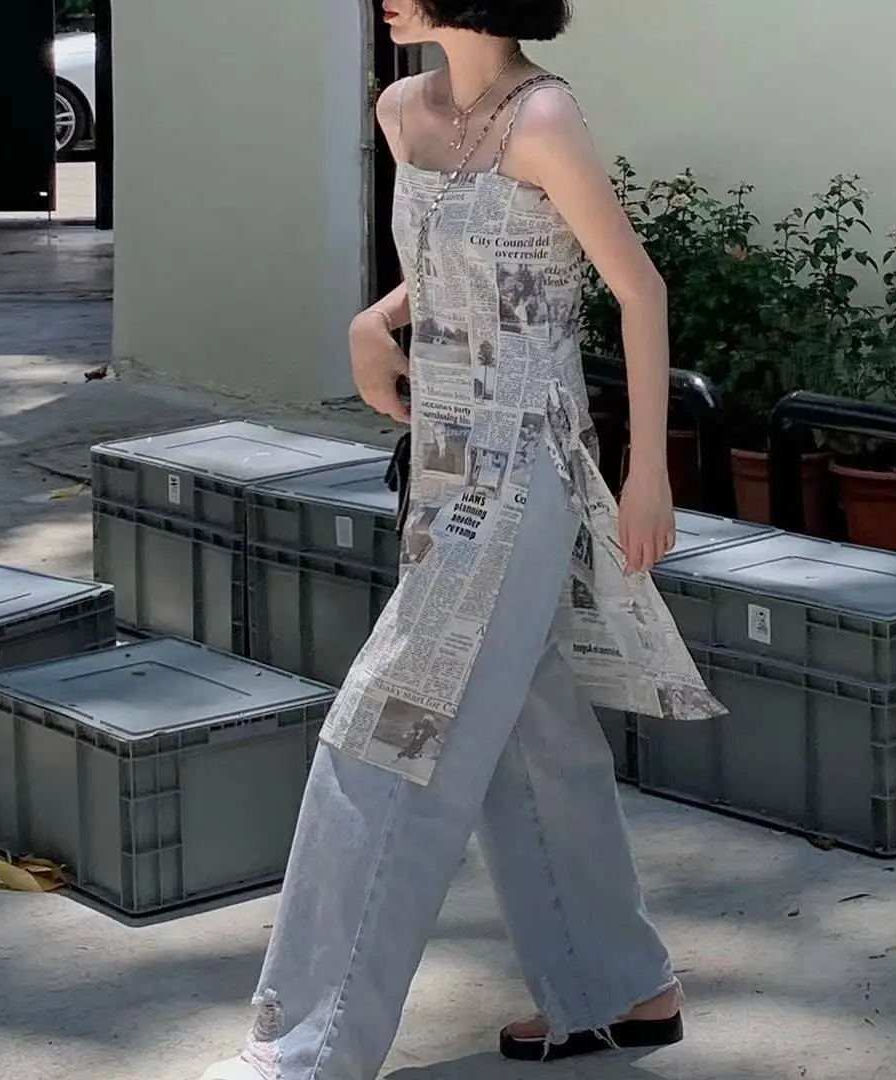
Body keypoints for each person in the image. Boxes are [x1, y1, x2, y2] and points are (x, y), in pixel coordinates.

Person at [201, 3, 724, 1078]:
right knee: (532, 739)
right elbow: (457, 263)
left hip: (524, 468)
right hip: (441, 467)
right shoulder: (403, 109)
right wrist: (374, 321)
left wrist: (648, 472)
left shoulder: (543, 119)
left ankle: (304, 1053)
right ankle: (621, 986)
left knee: (384, 737)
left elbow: (637, 289)